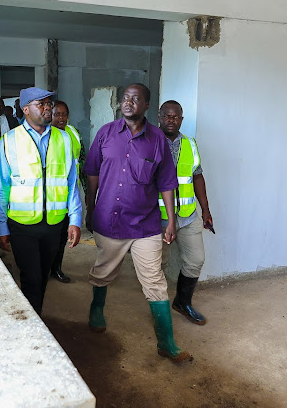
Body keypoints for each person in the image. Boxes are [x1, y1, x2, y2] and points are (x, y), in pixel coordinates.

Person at [84, 83, 191, 363]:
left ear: (146, 106)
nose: (129, 102)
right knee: (103, 270)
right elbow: (92, 172)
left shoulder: (157, 140)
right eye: (126, 98)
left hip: (145, 224)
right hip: (109, 220)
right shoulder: (106, 133)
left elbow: (167, 182)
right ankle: (97, 308)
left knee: (154, 280)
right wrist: (90, 206)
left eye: (136, 99)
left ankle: (167, 343)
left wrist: (170, 221)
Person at [0, 87, 82, 315]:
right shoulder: (10, 140)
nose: (47, 108)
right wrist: (1, 226)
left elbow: (71, 182)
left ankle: (35, 316)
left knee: (42, 277)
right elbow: (2, 186)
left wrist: (75, 219)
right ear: (26, 109)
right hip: (22, 225)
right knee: (30, 277)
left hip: (54, 223)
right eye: (40, 104)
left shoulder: (64, 139)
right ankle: (34, 323)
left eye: (49, 104)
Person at [158, 101, 213, 325]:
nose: (171, 120)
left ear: (182, 119)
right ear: (159, 117)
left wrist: (206, 210)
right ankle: (158, 309)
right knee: (157, 264)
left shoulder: (190, 143)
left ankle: (182, 302)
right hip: (157, 217)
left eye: (176, 116)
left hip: (188, 215)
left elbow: (197, 176)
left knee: (196, 259)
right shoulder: (149, 141)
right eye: (167, 116)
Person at [48, 101, 87, 283]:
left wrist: (86, 191)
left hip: (70, 190)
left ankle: (56, 268)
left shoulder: (74, 133)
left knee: (64, 232)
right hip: (50, 192)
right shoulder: (45, 135)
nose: (61, 118)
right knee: (49, 234)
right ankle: (44, 268)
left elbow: (83, 161)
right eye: (57, 114)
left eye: (64, 114)